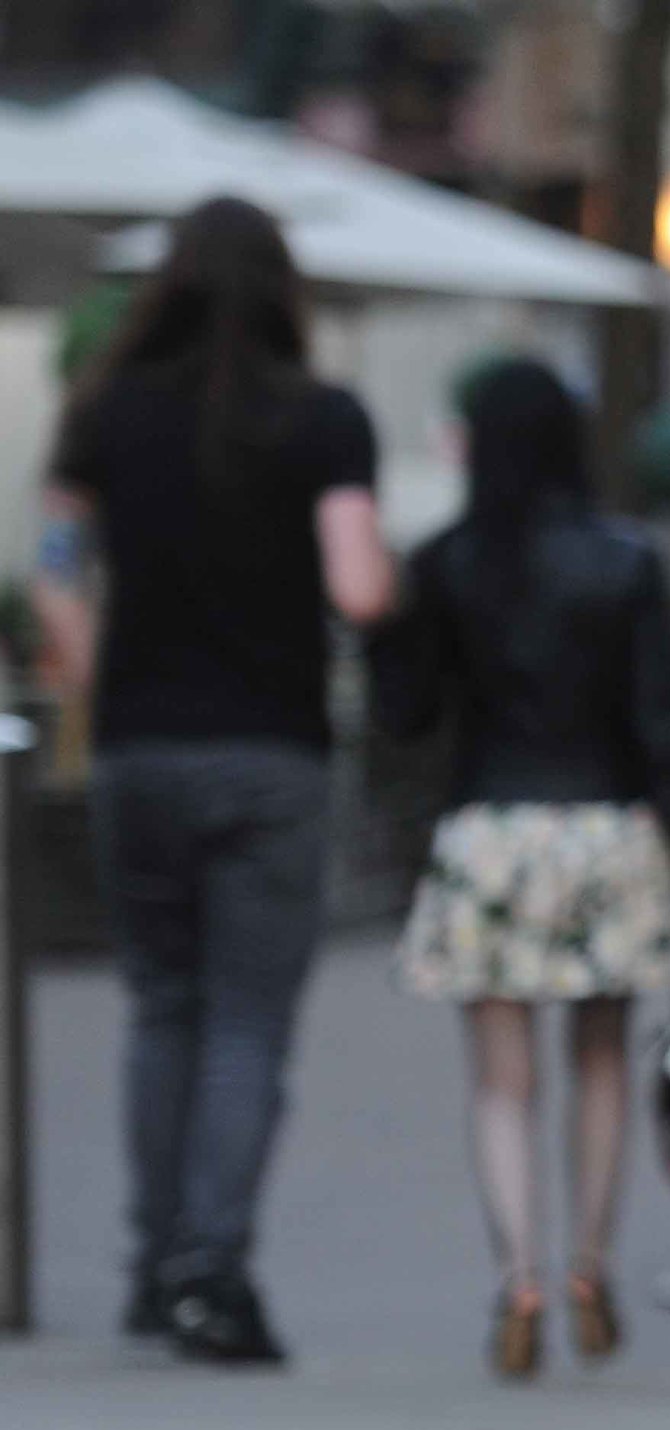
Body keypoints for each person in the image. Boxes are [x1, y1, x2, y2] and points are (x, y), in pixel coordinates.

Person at [35, 195, 394, 1364]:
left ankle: (152, 1264)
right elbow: (357, 590)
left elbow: (52, 571)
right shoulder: (324, 420)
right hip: (271, 752)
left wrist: (96, 676)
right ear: (283, 289)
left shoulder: (107, 413)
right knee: (246, 1021)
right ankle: (211, 1264)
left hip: (140, 748)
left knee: (162, 1009)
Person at [370, 358, 670, 1376]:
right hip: (604, 828)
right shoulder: (625, 559)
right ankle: (592, 1265)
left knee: (501, 1084)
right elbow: (664, 724)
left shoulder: (449, 561)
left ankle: (519, 1277)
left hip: (488, 832)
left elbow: (407, 713)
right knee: (602, 1062)